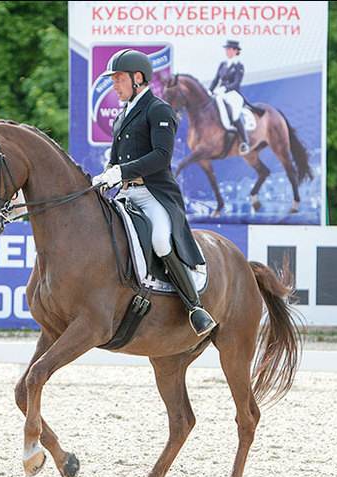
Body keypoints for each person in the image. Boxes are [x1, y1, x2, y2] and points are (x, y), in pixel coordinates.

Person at [92, 48, 216, 336]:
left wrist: (121, 172)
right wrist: (107, 174)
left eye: (118, 79)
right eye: (112, 80)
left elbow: (161, 156)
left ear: (138, 78)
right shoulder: (121, 116)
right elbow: (115, 158)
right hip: (125, 194)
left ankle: (194, 307)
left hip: (153, 194)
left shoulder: (159, 110)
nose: (114, 85)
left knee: (160, 240)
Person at [209, 39, 255, 155]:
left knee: (234, 114)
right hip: (220, 93)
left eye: (229, 49)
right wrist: (210, 91)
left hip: (233, 94)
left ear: (235, 51)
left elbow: (236, 83)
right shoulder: (223, 64)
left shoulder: (239, 66)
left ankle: (245, 141)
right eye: (226, 49)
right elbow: (216, 80)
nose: (227, 51)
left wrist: (224, 88)